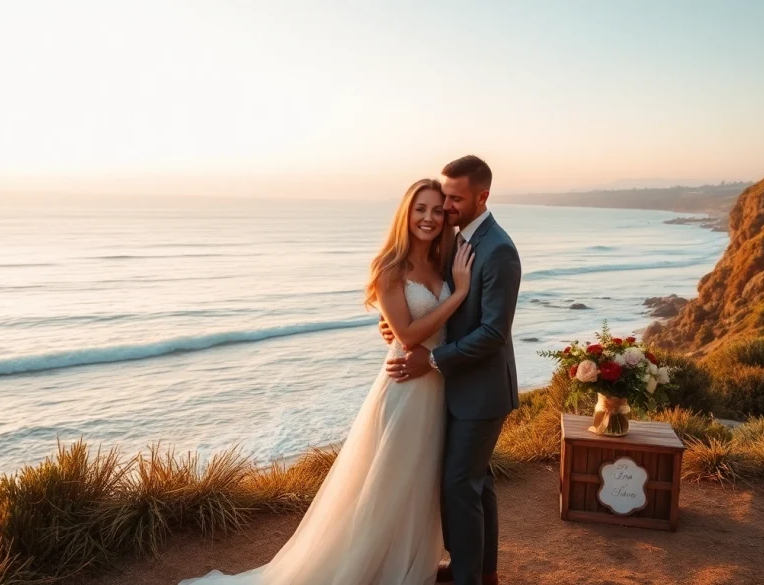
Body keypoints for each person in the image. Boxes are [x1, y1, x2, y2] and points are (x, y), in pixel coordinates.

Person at [179, 177, 474, 585]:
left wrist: (430, 330)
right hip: (404, 388)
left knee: (419, 485)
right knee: (385, 485)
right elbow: (406, 336)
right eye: (420, 209)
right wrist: (457, 296)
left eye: (437, 210)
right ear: (406, 214)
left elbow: (434, 329)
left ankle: (404, 567)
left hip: (435, 386)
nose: (429, 218)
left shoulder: (443, 264)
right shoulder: (390, 267)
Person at [382, 155, 522, 585]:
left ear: (483, 197)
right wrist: (394, 323)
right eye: (443, 197)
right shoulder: (456, 241)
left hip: (481, 391)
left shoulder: (498, 250)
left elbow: (493, 333)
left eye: (454, 199)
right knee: (478, 483)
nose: (445, 207)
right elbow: (426, 298)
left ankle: (467, 577)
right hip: (454, 387)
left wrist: (432, 359)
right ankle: (482, 572)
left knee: (459, 485)